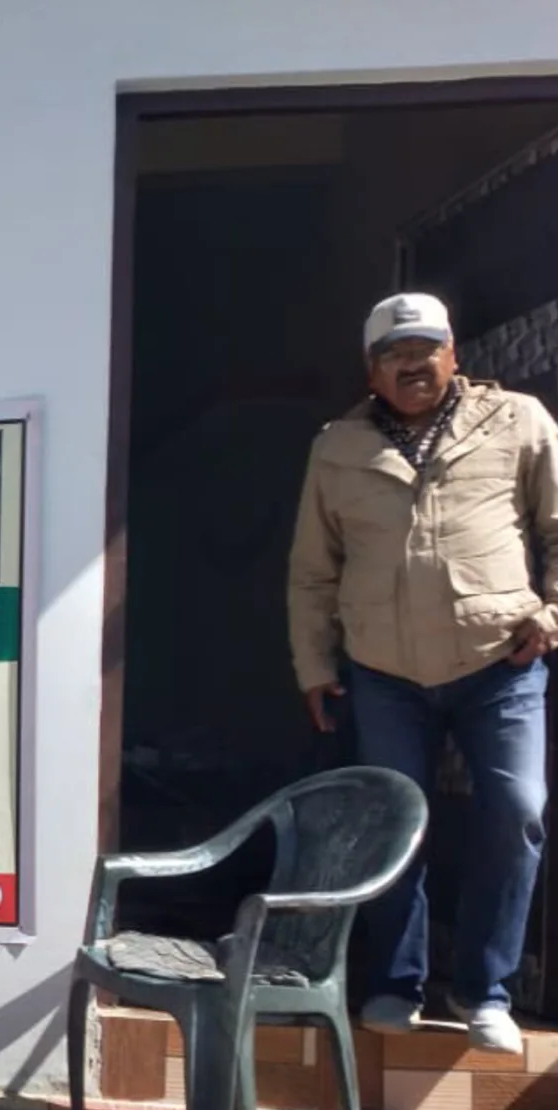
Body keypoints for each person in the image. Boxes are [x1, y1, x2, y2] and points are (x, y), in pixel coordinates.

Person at [288, 292, 558, 1054]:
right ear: (370, 370)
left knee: (517, 808)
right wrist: (315, 664)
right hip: (384, 671)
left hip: (499, 661)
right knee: (392, 823)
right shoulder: (337, 447)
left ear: (453, 352)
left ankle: (484, 989)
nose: (411, 363)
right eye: (393, 353)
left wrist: (551, 612)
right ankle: (396, 983)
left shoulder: (518, 421)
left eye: (424, 348)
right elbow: (313, 571)